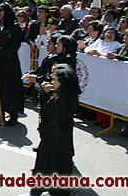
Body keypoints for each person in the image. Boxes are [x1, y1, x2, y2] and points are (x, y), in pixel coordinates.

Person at [30, 64, 81, 196]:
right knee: (61, 165)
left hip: (52, 140)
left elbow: (47, 121)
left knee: (46, 166)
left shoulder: (58, 102)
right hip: (64, 140)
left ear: (62, 82)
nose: (52, 82)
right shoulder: (69, 97)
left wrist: (42, 129)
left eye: (54, 80)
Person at [0, 3, 23, 126]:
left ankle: (13, 114)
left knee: (10, 88)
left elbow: (14, 46)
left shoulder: (14, 27)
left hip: (10, 62)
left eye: (2, 10)